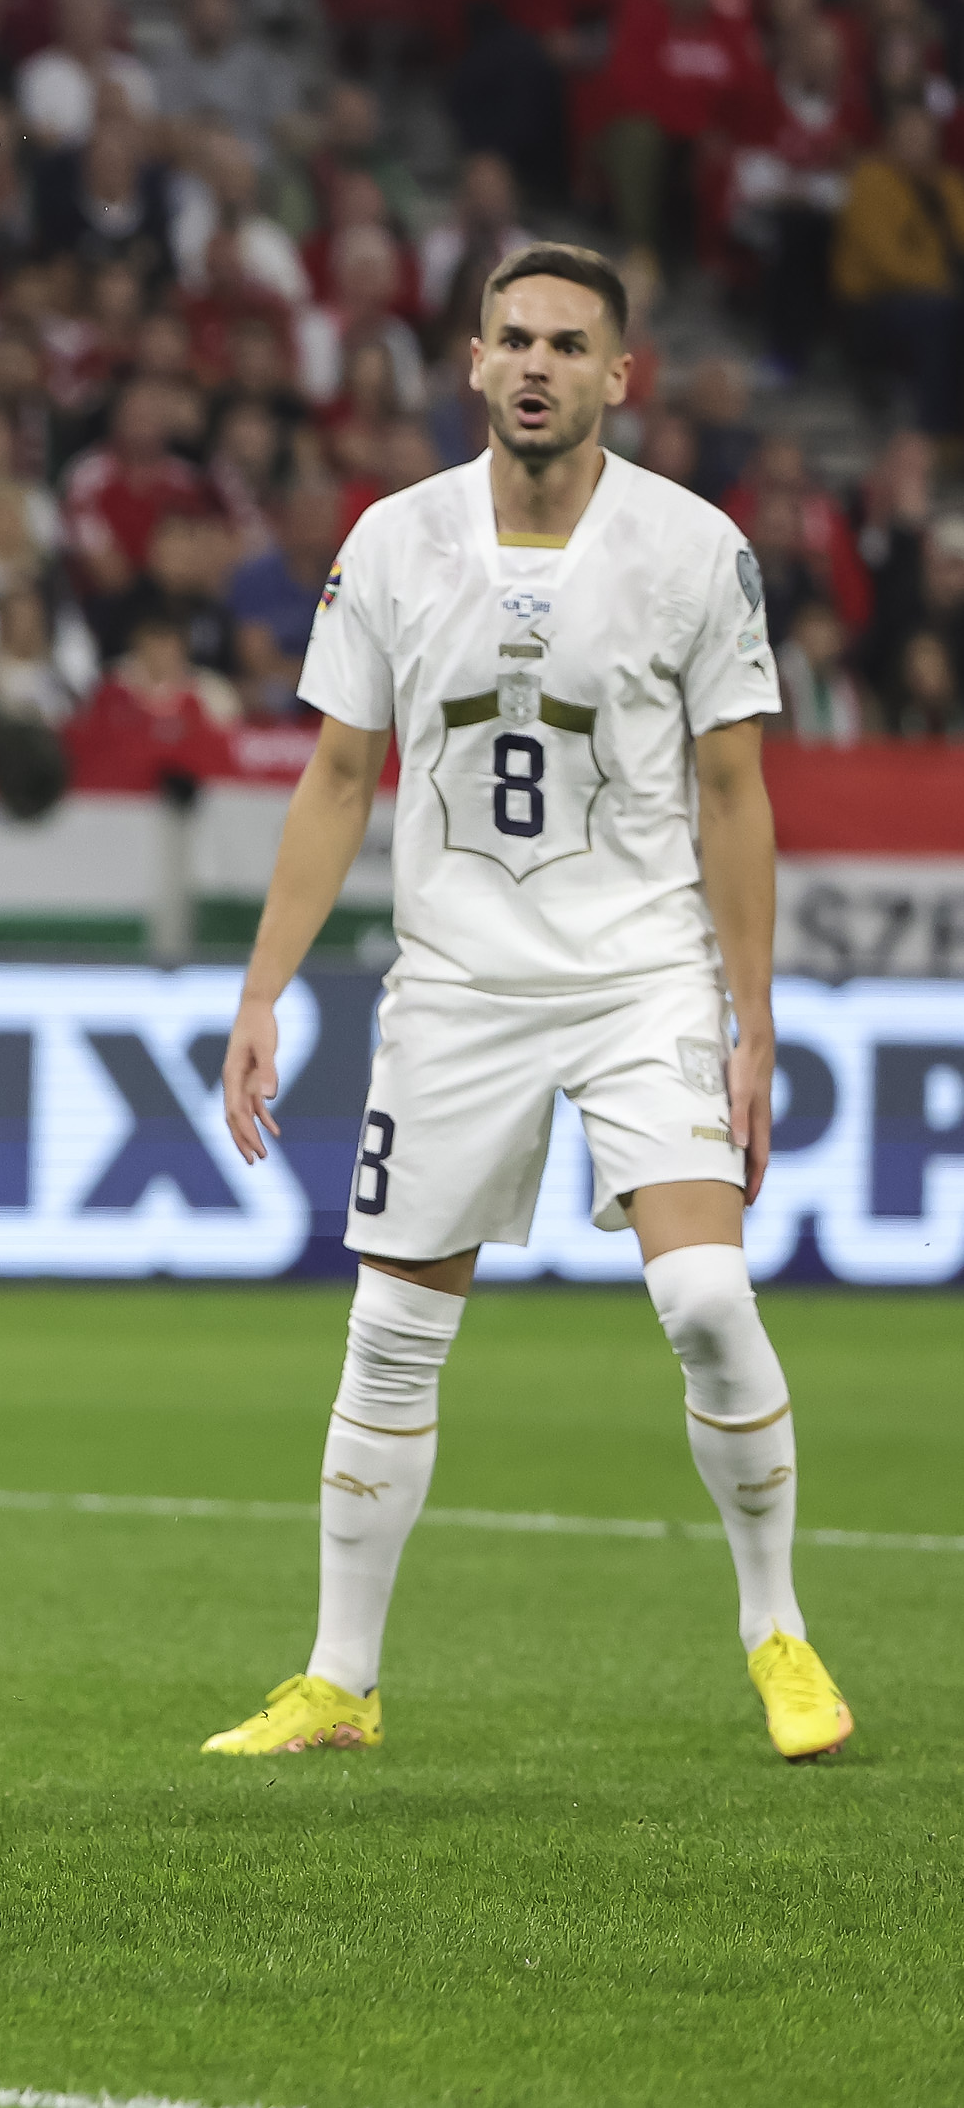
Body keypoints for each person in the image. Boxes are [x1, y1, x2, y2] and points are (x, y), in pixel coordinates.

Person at [207, 245, 850, 1767]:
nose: (539, 363)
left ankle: (776, 1627)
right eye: (514, 339)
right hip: (454, 985)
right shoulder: (390, 541)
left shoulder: (694, 550)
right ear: (472, 363)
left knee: (702, 1299)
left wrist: (748, 1019)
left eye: (570, 341)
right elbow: (338, 777)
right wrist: (262, 989)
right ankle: (338, 1681)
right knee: (389, 1333)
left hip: (637, 975)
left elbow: (733, 791)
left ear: (620, 374)